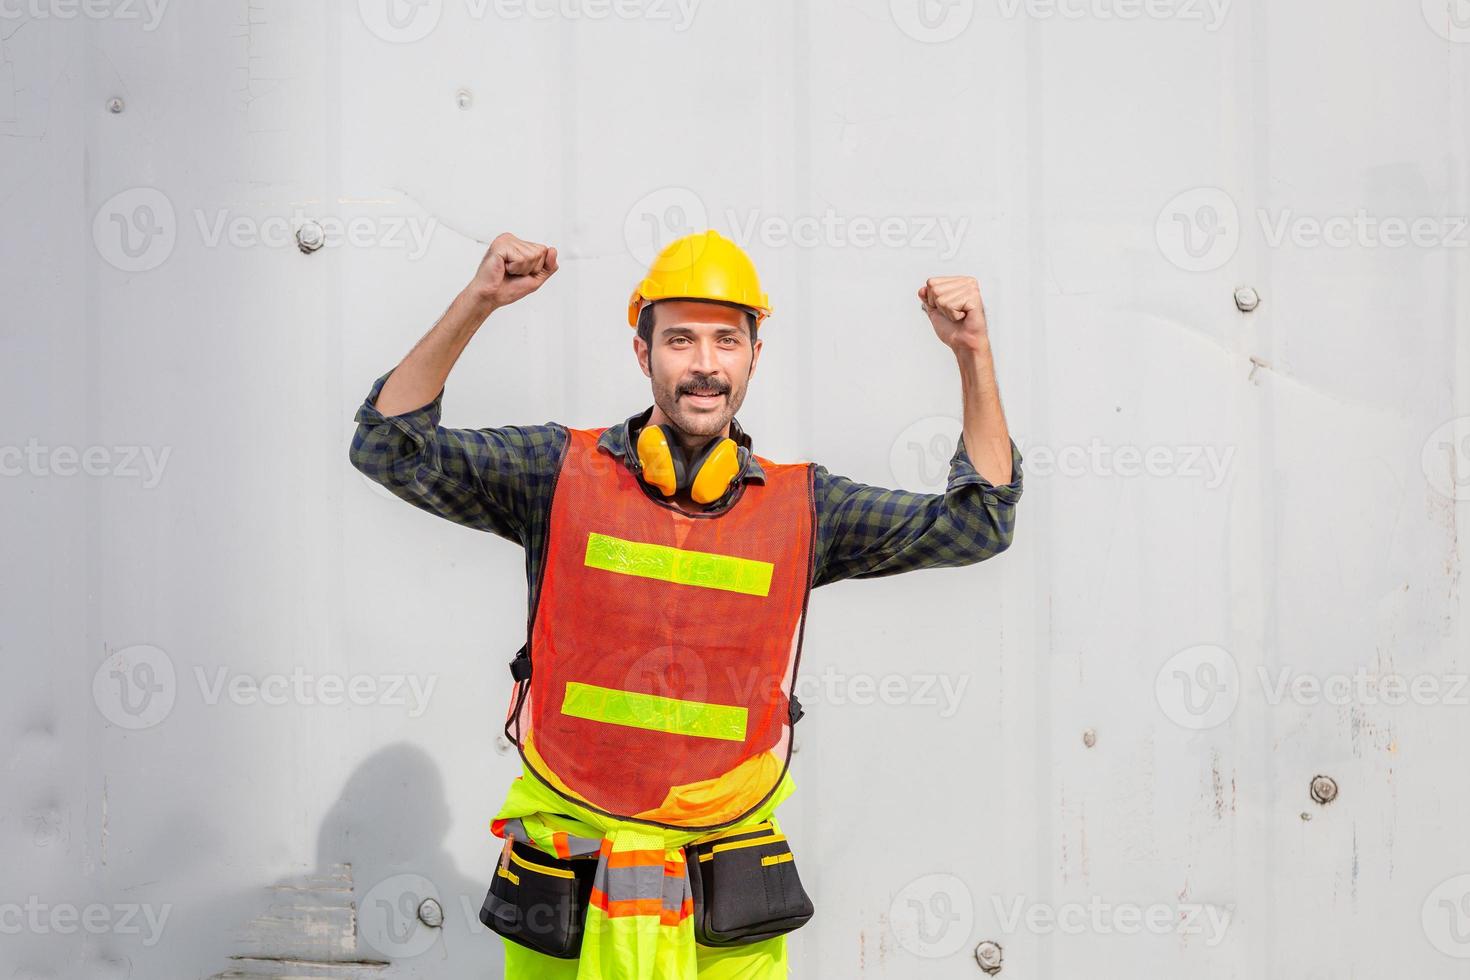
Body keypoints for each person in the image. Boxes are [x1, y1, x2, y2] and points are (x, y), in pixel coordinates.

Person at [348, 229, 1023, 979]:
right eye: (680, 340)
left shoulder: (806, 509)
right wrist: (478, 302)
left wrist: (973, 353)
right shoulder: (554, 473)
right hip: (568, 864)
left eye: (726, 341)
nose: (705, 363)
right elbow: (388, 447)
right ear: (643, 354)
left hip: (723, 877)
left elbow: (979, 523)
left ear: (754, 356)